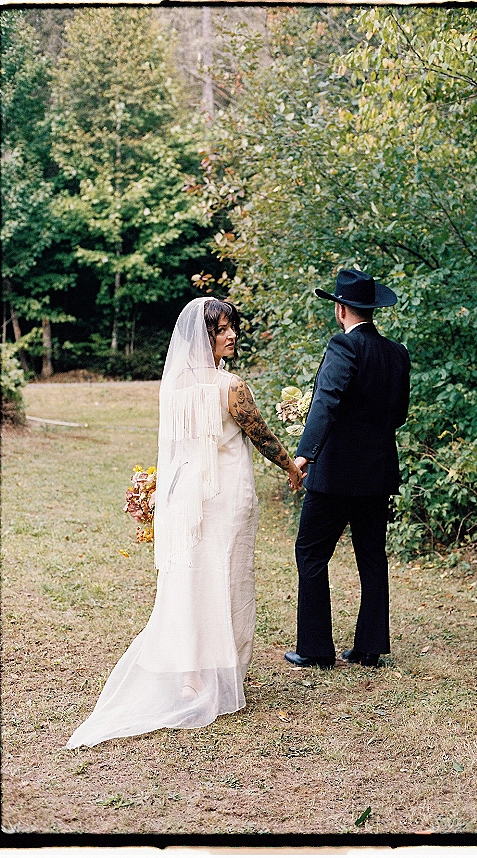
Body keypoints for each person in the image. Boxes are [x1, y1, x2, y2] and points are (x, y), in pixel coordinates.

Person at [66, 297, 302, 748]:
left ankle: (193, 675)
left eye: (232, 328)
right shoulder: (231, 386)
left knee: (192, 581)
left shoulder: (172, 385)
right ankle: (223, 672)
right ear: (204, 336)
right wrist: (292, 467)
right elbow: (263, 437)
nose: (231, 335)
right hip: (225, 496)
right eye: (221, 330)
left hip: (184, 498)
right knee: (228, 578)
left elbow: (173, 448)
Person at [284, 269, 410, 670]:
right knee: (372, 556)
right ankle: (369, 648)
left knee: (311, 552)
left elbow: (326, 402)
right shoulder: (397, 353)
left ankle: (316, 649)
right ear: (372, 310)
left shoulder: (343, 347)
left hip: (336, 475)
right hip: (378, 473)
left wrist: (302, 455)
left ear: (340, 310)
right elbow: (400, 416)